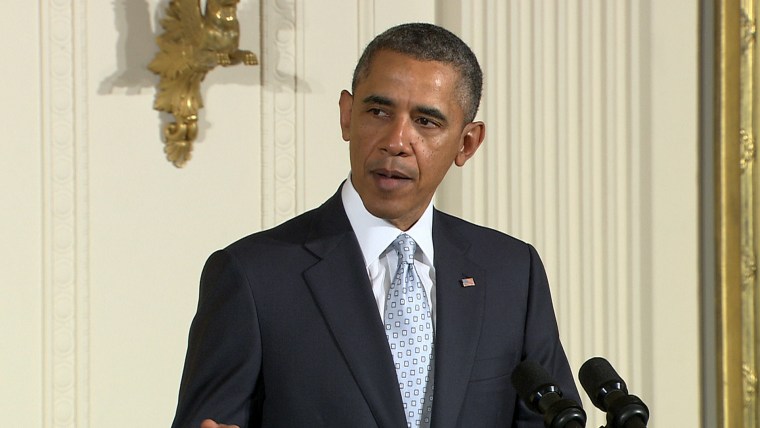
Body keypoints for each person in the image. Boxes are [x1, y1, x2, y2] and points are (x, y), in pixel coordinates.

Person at [171, 23, 579, 428]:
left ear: (467, 143)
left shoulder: (512, 273)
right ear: (347, 116)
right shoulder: (254, 276)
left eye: (426, 121)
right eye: (378, 112)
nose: (396, 141)